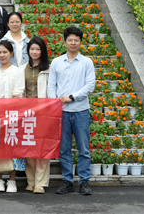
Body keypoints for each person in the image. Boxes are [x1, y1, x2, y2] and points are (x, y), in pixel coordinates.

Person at [49, 26, 95, 196]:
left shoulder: (86, 62)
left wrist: (72, 97)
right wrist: (54, 103)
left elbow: (90, 85)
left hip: (80, 110)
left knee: (83, 148)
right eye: (70, 40)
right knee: (64, 149)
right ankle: (68, 181)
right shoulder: (56, 62)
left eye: (76, 40)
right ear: (65, 42)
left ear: (80, 42)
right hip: (61, 112)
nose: (73, 43)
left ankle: (84, 181)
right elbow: (51, 85)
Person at [0, 41, 26, 193]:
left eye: (5, 52)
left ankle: (12, 180)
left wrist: (8, 108)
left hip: (13, 115)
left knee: (12, 147)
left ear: (11, 54)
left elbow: (19, 92)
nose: (2, 55)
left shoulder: (17, 71)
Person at [24, 36, 51, 194]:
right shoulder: (23, 69)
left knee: (42, 148)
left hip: (44, 113)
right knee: (29, 148)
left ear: (42, 51)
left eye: (37, 49)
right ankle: (31, 180)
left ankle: (40, 182)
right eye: (32, 49)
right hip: (27, 114)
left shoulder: (49, 69)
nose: (34, 52)